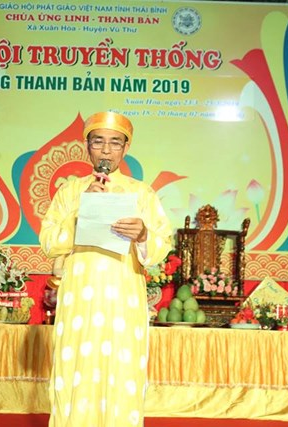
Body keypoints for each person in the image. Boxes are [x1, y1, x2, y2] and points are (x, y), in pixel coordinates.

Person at [39, 111, 173, 427]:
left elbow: (161, 246)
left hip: (123, 296)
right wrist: (78, 211)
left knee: (122, 370)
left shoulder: (142, 193)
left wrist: (143, 235)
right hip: (79, 296)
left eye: (115, 143)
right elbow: (49, 242)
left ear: (125, 149)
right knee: (77, 368)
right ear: (87, 146)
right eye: (98, 142)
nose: (106, 151)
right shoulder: (70, 192)